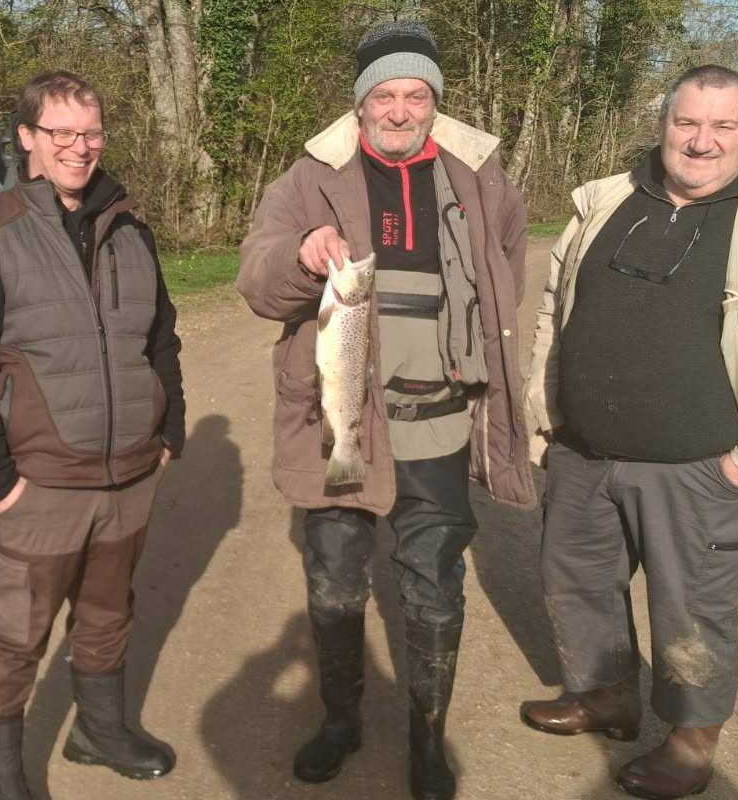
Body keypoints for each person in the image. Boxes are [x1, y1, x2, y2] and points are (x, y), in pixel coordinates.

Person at [521, 64, 738, 799]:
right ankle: (604, 696)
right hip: (583, 454)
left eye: (722, 126)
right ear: (664, 124)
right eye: (686, 123)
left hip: (703, 468)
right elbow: (554, 314)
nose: (701, 142)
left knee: (692, 613)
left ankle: (692, 743)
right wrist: (546, 417)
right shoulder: (605, 202)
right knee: (578, 587)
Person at [237, 20, 535, 800]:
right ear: (361, 103)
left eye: (416, 94)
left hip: (438, 419)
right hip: (338, 419)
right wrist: (302, 255)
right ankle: (340, 721)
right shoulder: (311, 176)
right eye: (385, 95)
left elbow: (505, 282)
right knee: (335, 582)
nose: (399, 110)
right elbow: (257, 280)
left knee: (433, 585)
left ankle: (427, 739)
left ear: (434, 102)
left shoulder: (482, 176)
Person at [0, 70, 186, 800]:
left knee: (109, 614)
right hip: (40, 485)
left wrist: (169, 429)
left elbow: (161, 337)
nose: (80, 148)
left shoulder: (129, 228)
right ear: (28, 139)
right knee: (14, 636)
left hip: (130, 477)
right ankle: (0, 780)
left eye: (91, 133)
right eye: (62, 134)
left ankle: (98, 732)